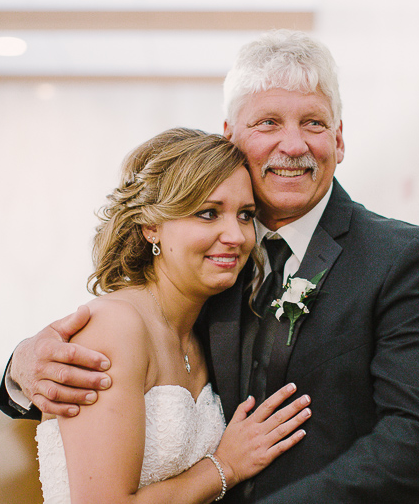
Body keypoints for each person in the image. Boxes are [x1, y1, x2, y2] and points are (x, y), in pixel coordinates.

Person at [0, 30, 419, 503]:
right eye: (267, 122)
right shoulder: (211, 265)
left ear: (339, 139)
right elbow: (115, 363)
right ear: (231, 139)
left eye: (315, 124)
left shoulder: (403, 255)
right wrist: (22, 366)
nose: (294, 144)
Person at [30, 127, 311, 503]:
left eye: (245, 215)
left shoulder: (204, 331)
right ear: (152, 226)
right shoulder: (115, 327)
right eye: (209, 213)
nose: (237, 236)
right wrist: (225, 466)